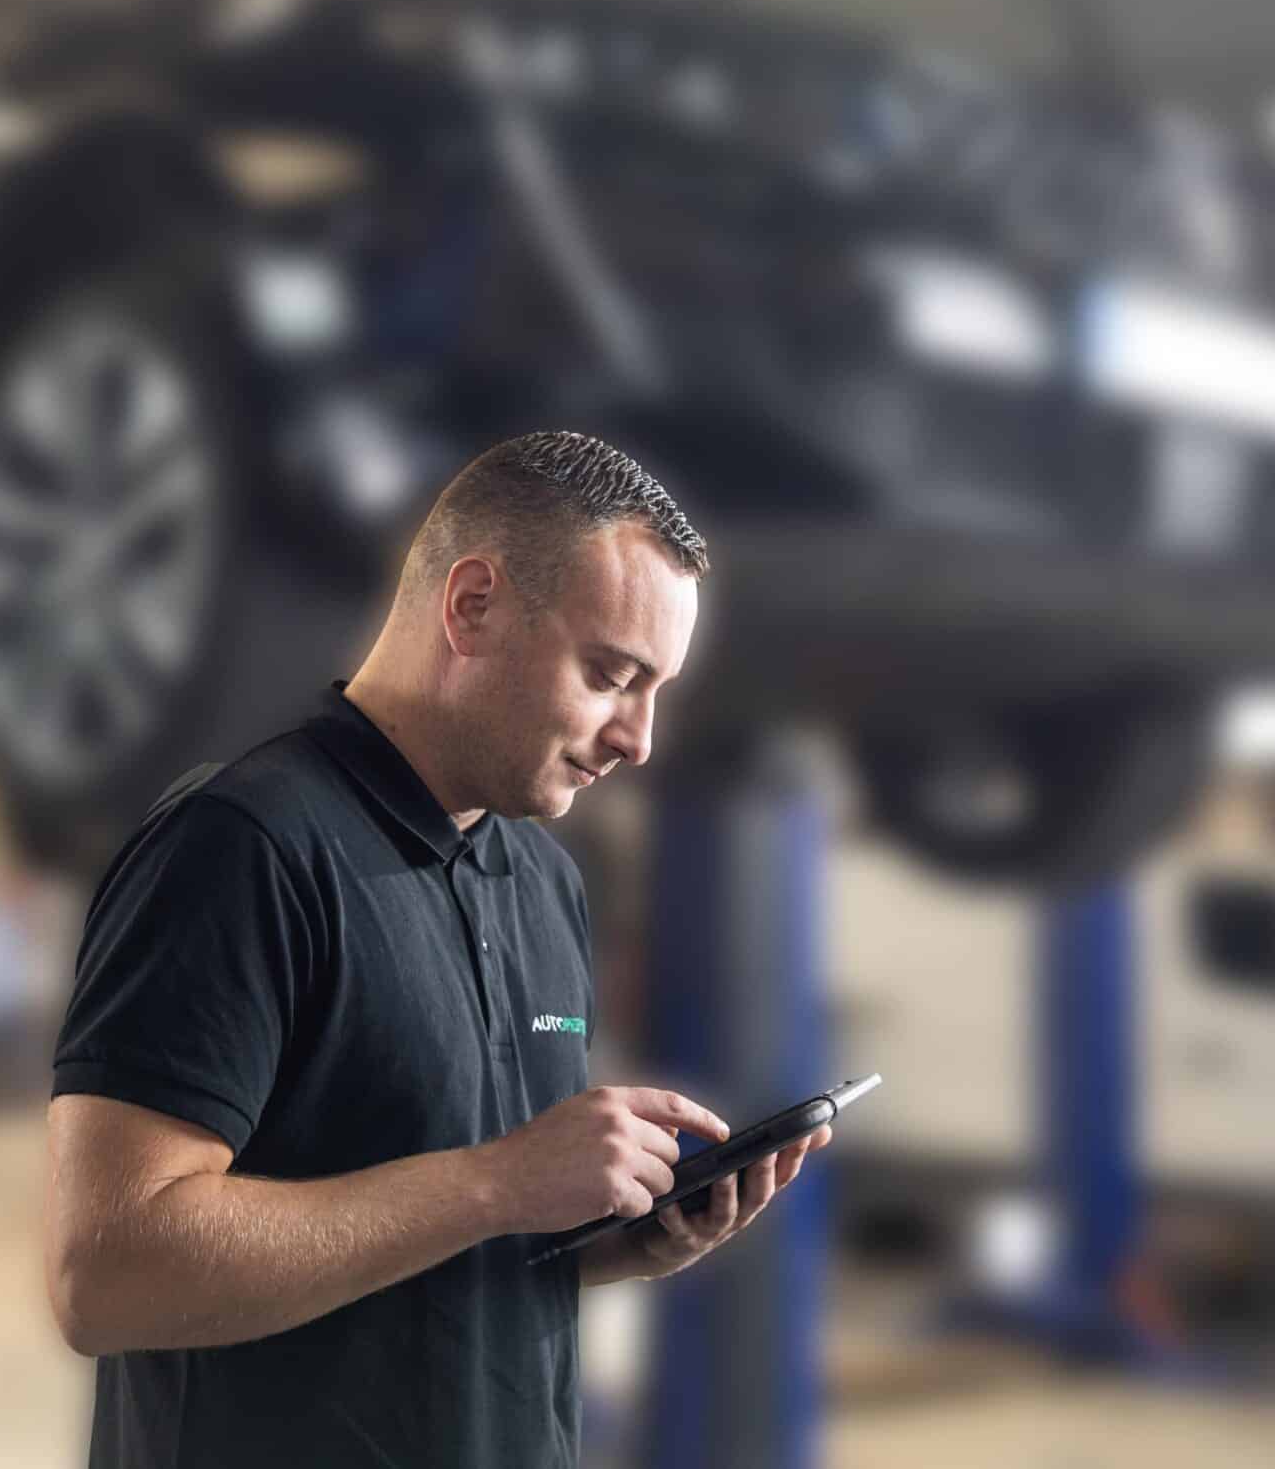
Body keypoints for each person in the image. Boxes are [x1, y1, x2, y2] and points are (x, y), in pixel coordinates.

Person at [43, 430, 831, 1467]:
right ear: (471, 606)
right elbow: (108, 1275)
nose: (637, 737)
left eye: (656, 692)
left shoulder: (541, 881)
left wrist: (599, 1245)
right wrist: (497, 1182)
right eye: (609, 674)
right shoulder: (242, 847)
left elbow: (423, 1237)